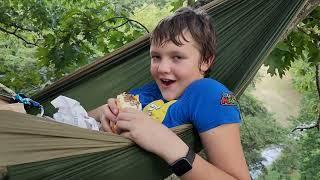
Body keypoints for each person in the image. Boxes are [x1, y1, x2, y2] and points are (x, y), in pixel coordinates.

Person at [89, 7, 250, 180]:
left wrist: (165, 142)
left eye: (177, 57)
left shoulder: (209, 94)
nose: (162, 69)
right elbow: (87, 116)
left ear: (205, 61)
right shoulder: (151, 91)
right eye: (156, 57)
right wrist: (107, 112)